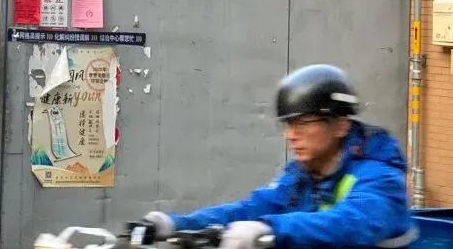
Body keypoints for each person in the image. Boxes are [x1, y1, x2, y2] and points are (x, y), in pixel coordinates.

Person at [140, 64, 417, 249]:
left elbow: (351, 222)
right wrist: (176, 224)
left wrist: (269, 228)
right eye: (287, 125)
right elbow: (252, 208)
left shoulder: (381, 177)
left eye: (302, 123)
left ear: (341, 125)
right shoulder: (303, 175)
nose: (290, 135)